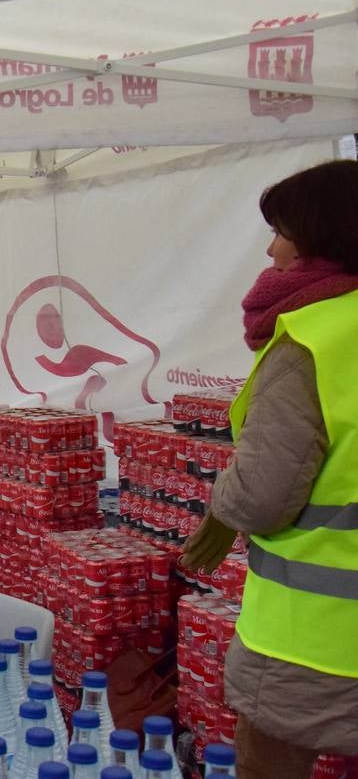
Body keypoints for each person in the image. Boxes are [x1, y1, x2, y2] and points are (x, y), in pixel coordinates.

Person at [181, 160, 358, 779]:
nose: (270, 247)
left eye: (281, 230)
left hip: (317, 636)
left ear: (320, 235)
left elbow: (263, 494)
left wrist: (222, 510)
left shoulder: (315, 339)